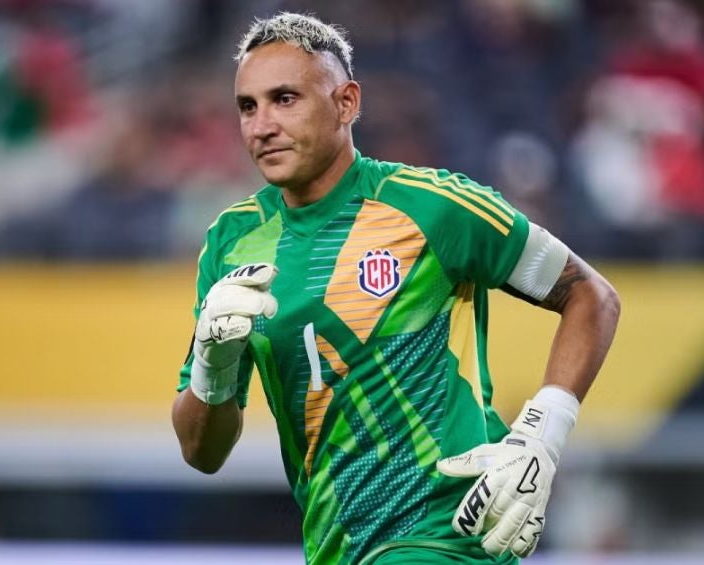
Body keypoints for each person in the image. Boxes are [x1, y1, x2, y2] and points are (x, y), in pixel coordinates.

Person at [171, 12, 620, 565]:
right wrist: (213, 366)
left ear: (346, 103)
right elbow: (202, 452)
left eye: (285, 99)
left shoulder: (434, 207)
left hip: (445, 536)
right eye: (247, 106)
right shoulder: (231, 241)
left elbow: (591, 295)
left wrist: (541, 436)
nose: (261, 126)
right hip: (338, 548)